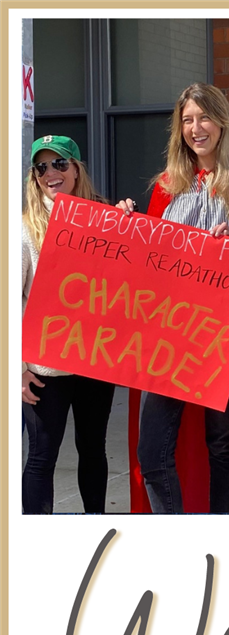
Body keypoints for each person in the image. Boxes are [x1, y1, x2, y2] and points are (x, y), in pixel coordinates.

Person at [117, 83, 229, 514]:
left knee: (222, 444)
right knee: (152, 450)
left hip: (227, 337)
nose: (196, 128)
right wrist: (125, 228)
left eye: (204, 117)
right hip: (169, 338)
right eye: (187, 120)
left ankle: (220, 534)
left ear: (222, 121)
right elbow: (144, 266)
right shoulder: (167, 186)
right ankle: (175, 533)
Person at [22, 135, 115, 514]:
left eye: (60, 163)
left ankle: (95, 534)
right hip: (46, 369)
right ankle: (35, 546)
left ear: (77, 169)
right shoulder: (24, 229)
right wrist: (18, 368)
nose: (51, 173)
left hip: (97, 360)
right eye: (41, 167)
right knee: (43, 456)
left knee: (93, 450)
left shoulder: (106, 220)